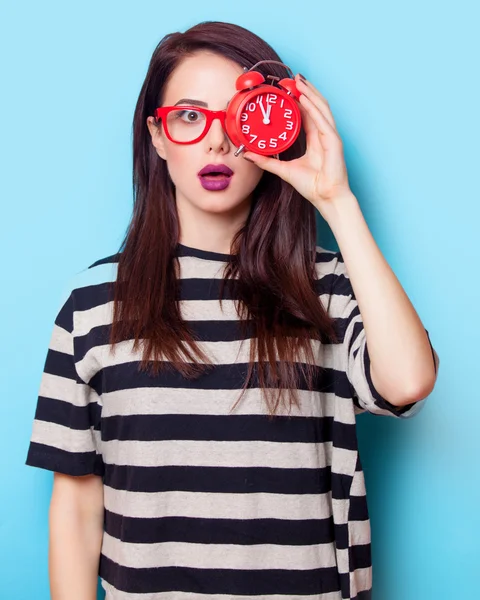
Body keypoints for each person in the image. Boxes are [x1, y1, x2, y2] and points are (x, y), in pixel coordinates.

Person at [25, 20, 440, 600]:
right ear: (158, 136)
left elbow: (409, 381)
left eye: (239, 118)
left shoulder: (324, 288)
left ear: (275, 131)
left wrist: (336, 201)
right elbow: (75, 501)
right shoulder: (93, 305)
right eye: (190, 117)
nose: (217, 143)